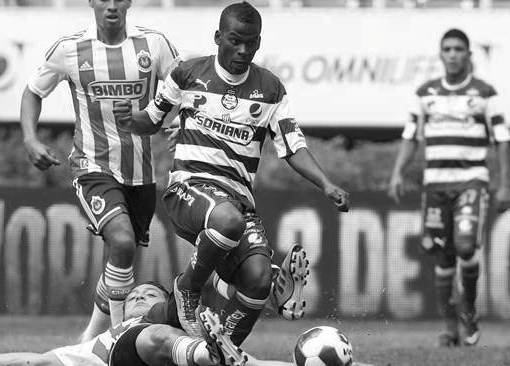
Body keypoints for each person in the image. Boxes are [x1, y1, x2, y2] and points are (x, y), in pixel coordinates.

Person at [113, 1, 349, 346]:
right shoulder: (187, 74)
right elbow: (151, 120)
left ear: (258, 43)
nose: (242, 50)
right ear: (217, 37)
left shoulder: (271, 89)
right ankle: (187, 288)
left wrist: (326, 184)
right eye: (235, 40)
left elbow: (292, 146)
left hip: (238, 202)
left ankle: (219, 351)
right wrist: (128, 120)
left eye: (251, 43)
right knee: (228, 221)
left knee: (256, 281)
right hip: (188, 190)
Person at [19, 0, 180, 340]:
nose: (111, 5)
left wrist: (176, 123)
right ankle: (118, 338)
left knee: (119, 257)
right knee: (121, 242)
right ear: (92, 1)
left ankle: (90, 335)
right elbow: (33, 91)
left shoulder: (154, 44)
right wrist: (31, 139)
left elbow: (182, 90)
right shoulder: (69, 48)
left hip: (140, 172)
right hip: (92, 167)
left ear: (129, 3)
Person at [388, 28, 510, 347]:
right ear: (440, 55)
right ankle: (449, 328)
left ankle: (467, 309)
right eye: (447, 49)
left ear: (469, 55)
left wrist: (503, 184)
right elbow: (411, 135)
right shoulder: (425, 92)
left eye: (459, 49)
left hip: (471, 182)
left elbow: (502, 140)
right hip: (435, 187)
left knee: (467, 247)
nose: (453, 54)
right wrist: (398, 173)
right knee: (442, 257)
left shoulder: (485, 93)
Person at [0, 282, 296, 366]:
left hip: (182, 346)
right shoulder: (104, 339)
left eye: (149, 293)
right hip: (125, 355)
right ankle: (211, 354)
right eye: (134, 296)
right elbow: (37, 361)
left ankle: (212, 354)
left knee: (242, 363)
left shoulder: (168, 315)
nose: (140, 296)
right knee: (152, 334)